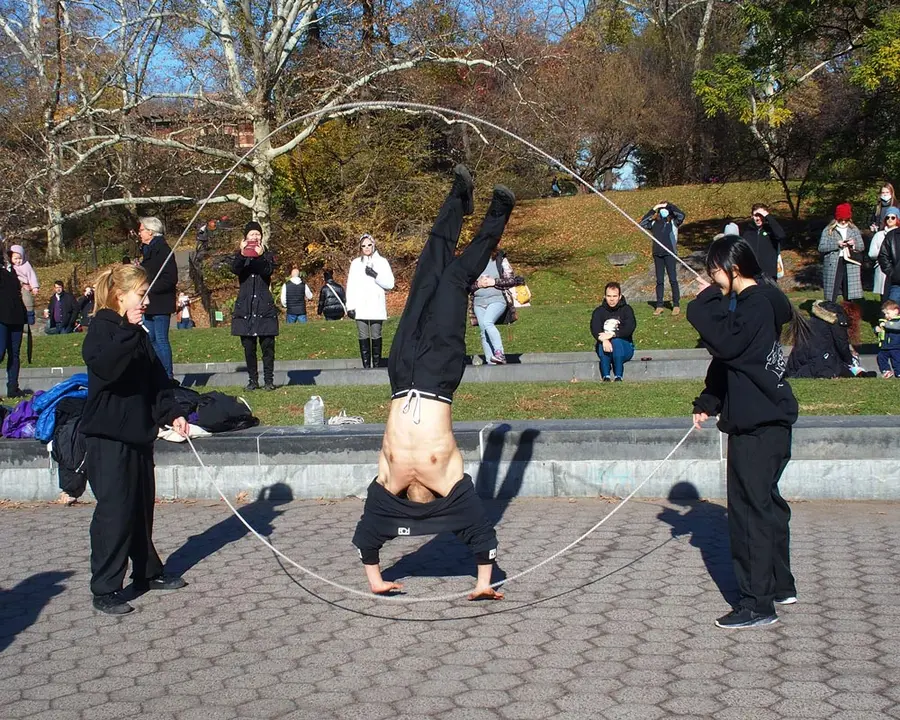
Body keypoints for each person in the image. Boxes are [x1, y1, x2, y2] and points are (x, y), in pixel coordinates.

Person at [351, 165, 513, 601]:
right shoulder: (449, 481)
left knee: (428, 268)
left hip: (402, 376)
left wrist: (377, 581)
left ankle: (460, 194)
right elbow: (481, 534)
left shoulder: (388, 483)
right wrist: (483, 585)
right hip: (439, 375)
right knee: (456, 278)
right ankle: (501, 211)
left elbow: (367, 542)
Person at [688, 235, 800, 629]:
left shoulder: (754, 305)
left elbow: (726, 342)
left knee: (750, 514)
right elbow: (731, 360)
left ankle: (756, 604)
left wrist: (703, 302)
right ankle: (780, 586)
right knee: (767, 506)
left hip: (759, 427)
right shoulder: (755, 303)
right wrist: (709, 400)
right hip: (766, 422)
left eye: (715, 272)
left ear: (733, 269)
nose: (712, 279)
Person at [81, 264, 189, 615]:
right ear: (119, 296)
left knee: (141, 507)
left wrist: (172, 412)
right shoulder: (103, 329)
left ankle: (147, 572)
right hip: (107, 436)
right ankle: (106, 586)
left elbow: (156, 382)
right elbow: (106, 367)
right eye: (141, 295)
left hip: (139, 434)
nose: (146, 301)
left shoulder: (139, 334)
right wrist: (129, 328)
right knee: (115, 511)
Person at [231, 221, 279, 391]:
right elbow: (235, 269)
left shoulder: (267, 255)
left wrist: (258, 256)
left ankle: (268, 380)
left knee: (267, 346)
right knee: (249, 347)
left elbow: (267, 271)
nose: (255, 237)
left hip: (263, 307)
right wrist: (243, 254)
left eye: (257, 234)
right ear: (245, 237)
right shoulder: (240, 256)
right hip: (246, 308)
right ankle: (253, 380)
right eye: (251, 234)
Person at [346, 233, 395, 369]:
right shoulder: (356, 263)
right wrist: (350, 306)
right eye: (363, 246)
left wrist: (375, 275)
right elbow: (351, 285)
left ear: (373, 245)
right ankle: (366, 366)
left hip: (376, 304)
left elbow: (390, 284)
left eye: (369, 245)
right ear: (360, 248)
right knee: (363, 334)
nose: (367, 248)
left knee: (376, 334)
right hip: (360, 305)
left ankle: (377, 366)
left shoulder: (382, 262)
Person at [138, 216, 178, 378]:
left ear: (150, 231)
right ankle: (158, 374)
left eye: (141, 230)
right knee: (151, 338)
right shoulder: (146, 250)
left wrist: (150, 288)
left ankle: (168, 375)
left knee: (161, 339)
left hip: (160, 303)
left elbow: (170, 278)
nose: (139, 234)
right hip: (149, 304)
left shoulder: (163, 250)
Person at [471, 250, 524, 365]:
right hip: (478, 302)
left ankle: (499, 353)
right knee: (484, 332)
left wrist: (493, 282)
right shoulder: (472, 260)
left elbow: (512, 280)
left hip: (497, 299)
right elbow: (464, 284)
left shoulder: (500, 259)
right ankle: (491, 362)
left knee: (487, 322)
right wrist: (478, 284)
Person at [785, 301, 857, 379]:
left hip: (801, 356)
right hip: (820, 360)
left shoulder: (813, 319)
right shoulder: (838, 320)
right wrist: (850, 360)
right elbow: (842, 344)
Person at [639, 201, 685, 316]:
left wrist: (668, 205)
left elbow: (681, 215)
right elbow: (643, 223)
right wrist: (654, 208)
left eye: (665, 209)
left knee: (673, 279)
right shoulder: (654, 223)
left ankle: (676, 305)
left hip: (670, 254)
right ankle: (659, 305)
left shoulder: (674, 222)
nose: (663, 211)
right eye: (661, 210)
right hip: (657, 254)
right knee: (659, 281)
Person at [590, 282, 637, 382]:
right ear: (605, 296)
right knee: (603, 344)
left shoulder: (627, 310)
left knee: (616, 342)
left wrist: (612, 334)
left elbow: (629, 328)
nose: (612, 299)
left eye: (615, 296)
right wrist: (604, 340)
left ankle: (618, 376)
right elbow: (595, 329)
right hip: (605, 347)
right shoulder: (599, 311)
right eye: (609, 296)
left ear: (620, 296)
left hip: (625, 348)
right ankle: (606, 376)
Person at [819, 203, 864, 303]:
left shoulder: (854, 229)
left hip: (850, 262)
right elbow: (821, 247)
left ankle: (849, 314)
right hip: (834, 262)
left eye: (846, 219)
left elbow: (861, 246)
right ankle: (830, 311)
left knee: (849, 292)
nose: (843, 222)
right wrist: (836, 244)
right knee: (832, 291)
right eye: (841, 219)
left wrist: (853, 244)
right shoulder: (828, 230)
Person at [0, 255, 27, 398]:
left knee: (14, 353)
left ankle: (13, 388)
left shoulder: (13, 269)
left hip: (16, 315)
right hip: (2, 315)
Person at [742, 204, 786, 280]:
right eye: (756, 215)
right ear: (752, 216)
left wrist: (767, 216)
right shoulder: (747, 233)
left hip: (769, 274)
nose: (758, 218)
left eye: (760, 215)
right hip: (752, 275)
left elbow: (781, 235)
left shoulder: (771, 231)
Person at [871, 208, 899, 300]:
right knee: (890, 303)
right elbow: (879, 254)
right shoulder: (884, 235)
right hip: (892, 276)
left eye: (893, 217)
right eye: (888, 217)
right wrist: (892, 272)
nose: (890, 219)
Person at [9, 244, 39, 326]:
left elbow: (32, 276)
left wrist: (34, 287)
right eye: (15, 259)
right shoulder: (11, 266)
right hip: (15, 286)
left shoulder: (26, 265)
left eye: (20, 258)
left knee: (27, 299)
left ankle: (30, 315)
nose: (18, 261)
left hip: (25, 285)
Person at [875, 300, 900, 379]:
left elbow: (896, 327)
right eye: (885, 314)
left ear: (896, 311)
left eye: (888, 313)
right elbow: (880, 331)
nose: (886, 315)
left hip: (896, 346)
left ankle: (898, 372)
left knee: (896, 360)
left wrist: (886, 324)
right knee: (881, 357)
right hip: (885, 346)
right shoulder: (884, 321)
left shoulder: (897, 321)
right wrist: (876, 329)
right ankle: (886, 371)